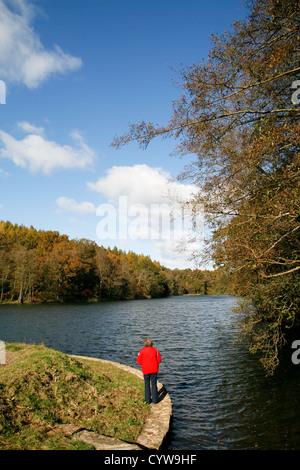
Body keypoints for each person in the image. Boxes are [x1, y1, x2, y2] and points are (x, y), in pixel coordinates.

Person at [137, 337, 162, 404]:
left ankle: (147, 400)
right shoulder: (156, 351)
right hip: (154, 369)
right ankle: (155, 400)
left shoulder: (142, 351)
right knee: (154, 384)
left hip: (146, 370)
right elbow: (159, 360)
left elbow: (139, 362)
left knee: (147, 384)